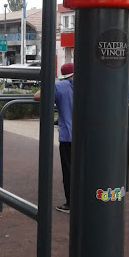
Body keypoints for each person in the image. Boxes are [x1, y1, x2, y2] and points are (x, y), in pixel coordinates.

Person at [34, 62, 73, 213]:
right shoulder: (87, 84)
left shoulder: (60, 86)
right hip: (87, 136)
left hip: (68, 135)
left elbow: (38, 96)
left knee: (68, 170)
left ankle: (70, 203)